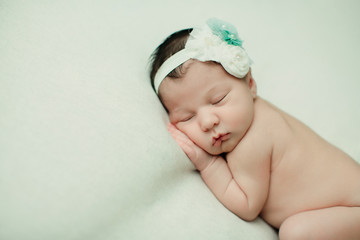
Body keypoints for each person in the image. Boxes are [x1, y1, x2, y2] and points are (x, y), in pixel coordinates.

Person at [149, 18, 360, 239]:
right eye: (188, 117)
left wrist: (208, 163)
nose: (207, 121)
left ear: (250, 84)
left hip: (352, 209)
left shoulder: (252, 142)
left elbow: (247, 206)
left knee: (295, 233)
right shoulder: (250, 115)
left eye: (218, 100)